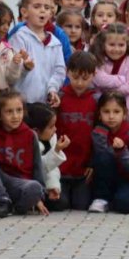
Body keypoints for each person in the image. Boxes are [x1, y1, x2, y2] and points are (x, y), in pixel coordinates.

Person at [0, 89, 47, 218]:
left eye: (19, 110)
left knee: (36, 187)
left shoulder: (30, 135)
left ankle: (14, 208)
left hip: (20, 185)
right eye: (9, 112)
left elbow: (37, 166)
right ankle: (3, 201)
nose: (15, 116)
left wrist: (39, 197)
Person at [56, 51, 99, 211]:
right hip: (61, 167)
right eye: (75, 77)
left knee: (80, 205)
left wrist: (92, 163)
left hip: (83, 168)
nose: (80, 83)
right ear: (67, 72)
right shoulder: (60, 97)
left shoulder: (95, 100)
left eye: (85, 78)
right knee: (61, 204)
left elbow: (98, 135)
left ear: (94, 75)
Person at [88, 92, 129, 214]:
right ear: (99, 114)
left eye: (116, 112)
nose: (111, 116)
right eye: (106, 112)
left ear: (124, 113)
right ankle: (101, 199)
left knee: (124, 204)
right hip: (105, 180)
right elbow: (99, 158)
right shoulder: (97, 132)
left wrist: (122, 151)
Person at [9, 0, 65, 107]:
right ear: (24, 12)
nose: (43, 10)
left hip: (45, 104)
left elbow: (59, 71)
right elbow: (11, 72)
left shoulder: (56, 42)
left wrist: (52, 89)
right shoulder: (19, 38)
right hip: (22, 103)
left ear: (51, 13)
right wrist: (25, 67)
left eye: (47, 7)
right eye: (37, 6)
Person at [25, 102, 68, 212]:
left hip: (46, 183)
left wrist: (53, 186)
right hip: (29, 184)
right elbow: (38, 168)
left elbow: (53, 169)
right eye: (51, 127)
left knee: (61, 202)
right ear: (36, 131)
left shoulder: (51, 138)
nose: (55, 130)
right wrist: (56, 151)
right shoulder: (28, 143)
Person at [90, 23, 129, 113]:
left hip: (123, 109)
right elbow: (99, 80)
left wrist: (108, 92)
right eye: (112, 45)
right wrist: (122, 79)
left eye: (121, 45)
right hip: (99, 105)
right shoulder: (98, 59)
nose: (116, 49)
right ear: (103, 44)